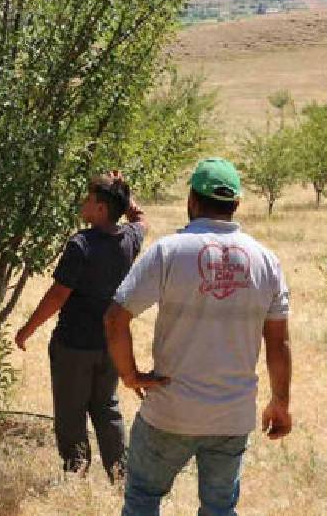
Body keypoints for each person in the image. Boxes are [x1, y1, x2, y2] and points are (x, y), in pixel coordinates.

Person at [104, 158, 292, 516]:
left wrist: (129, 376)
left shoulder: (169, 250)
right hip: (232, 415)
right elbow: (278, 343)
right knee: (219, 508)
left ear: (191, 200)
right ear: (235, 205)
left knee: (143, 498)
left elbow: (115, 318)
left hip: (170, 410)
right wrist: (279, 402)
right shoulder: (266, 260)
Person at [14, 172, 146, 481]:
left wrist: (27, 330)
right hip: (111, 344)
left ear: (101, 209)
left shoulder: (81, 245)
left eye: (89, 199)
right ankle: (119, 471)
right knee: (106, 406)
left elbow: (58, 295)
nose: (83, 203)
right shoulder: (129, 238)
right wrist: (122, 195)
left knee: (71, 411)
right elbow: (140, 217)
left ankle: (76, 471)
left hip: (74, 345)